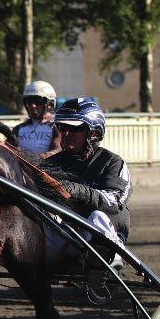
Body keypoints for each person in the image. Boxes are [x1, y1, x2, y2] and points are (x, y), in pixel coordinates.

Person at [38, 97, 132, 269]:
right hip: (66, 235)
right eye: (62, 127)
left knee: (98, 217)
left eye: (74, 128)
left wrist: (74, 190)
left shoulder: (112, 162)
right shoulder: (49, 164)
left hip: (103, 233)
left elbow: (115, 201)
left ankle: (104, 264)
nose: (65, 133)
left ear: (94, 133)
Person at [13, 80, 60, 155]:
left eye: (37, 101)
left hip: (43, 166)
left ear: (50, 104)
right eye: (29, 101)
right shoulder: (18, 129)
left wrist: (40, 157)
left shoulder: (57, 128)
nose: (32, 106)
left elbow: (58, 150)